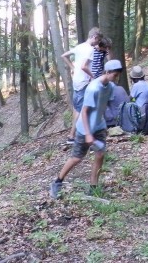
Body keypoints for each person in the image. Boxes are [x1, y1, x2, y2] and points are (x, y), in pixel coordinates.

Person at [50, 59, 123, 199]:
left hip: (100, 126)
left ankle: (93, 187)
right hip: (85, 129)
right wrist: (88, 134)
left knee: (100, 155)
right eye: (115, 75)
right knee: (77, 158)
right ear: (107, 72)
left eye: (118, 75)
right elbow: (84, 112)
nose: (116, 77)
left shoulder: (111, 87)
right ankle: (57, 182)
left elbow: (106, 105)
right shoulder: (93, 88)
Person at [61, 27, 102, 143]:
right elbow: (84, 66)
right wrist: (93, 76)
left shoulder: (79, 47)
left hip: (76, 81)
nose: (98, 43)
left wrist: (73, 68)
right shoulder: (89, 49)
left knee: (77, 108)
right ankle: (72, 136)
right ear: (94, 37)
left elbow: (64, 55)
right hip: (83, 82)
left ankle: (76, 134)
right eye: (98, 40)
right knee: (82, 109)